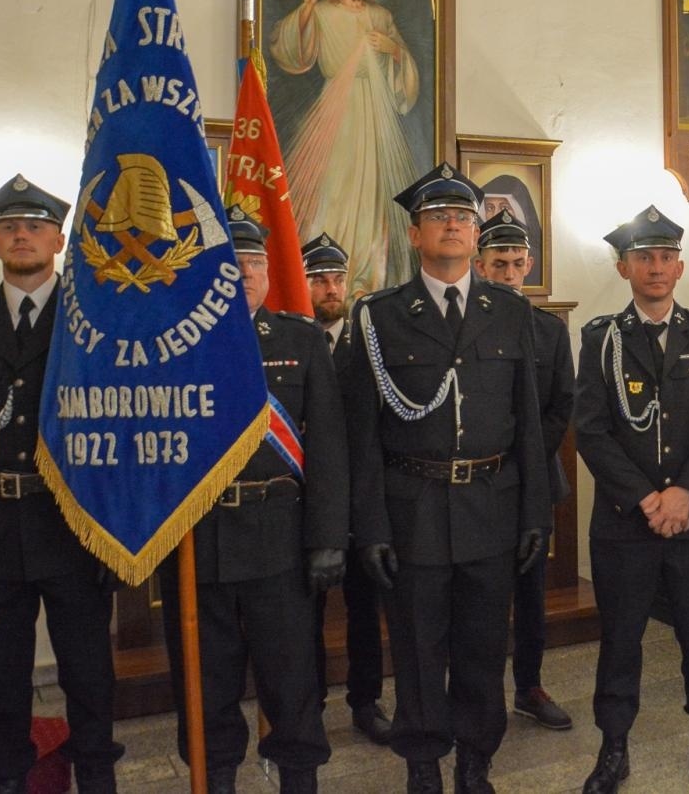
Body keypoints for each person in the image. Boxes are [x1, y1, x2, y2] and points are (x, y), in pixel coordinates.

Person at [341, 162, 550, 794]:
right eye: (438, 217)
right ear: (415, 235)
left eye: (463, 217)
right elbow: (361, 437)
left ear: (476, 233)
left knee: (484, 652)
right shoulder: (378, 317)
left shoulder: (510, 313)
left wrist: (535, 514)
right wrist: (370, 527)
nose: (453, 225)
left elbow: (529, 424)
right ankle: (423, 766)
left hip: (492, 509)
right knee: (417, 652)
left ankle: (475, 765)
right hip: (413, 513)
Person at [0, 175, 122, 794]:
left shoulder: (94, 319)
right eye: (8, 227)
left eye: (35, 226)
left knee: (88, 670)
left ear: (59, 241)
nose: (21, 235)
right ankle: (6, 776)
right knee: (1, 675)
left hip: (74, 526)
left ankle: (96, 775)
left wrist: (119, 536)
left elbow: (118, 431)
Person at [157, 207, 347, 794]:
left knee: (291, 677)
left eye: (255, 262)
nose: (243, 272)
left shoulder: (300, 339)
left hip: (279, 537)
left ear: (269, 273)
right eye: (230, 261)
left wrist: (327, 538)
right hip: (197, 535)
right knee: (205, 680)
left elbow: (329, 446)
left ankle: (298, 779)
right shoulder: (172, 344)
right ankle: (216, 778)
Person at [573, 206, 689, 794]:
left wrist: (683, 493)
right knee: (620, 641)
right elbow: (591, 430)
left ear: (680, 267)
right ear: (624, 268)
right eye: (644, 258)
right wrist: (647, 499)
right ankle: (614, 747)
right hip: (625, 521)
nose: (657, 267)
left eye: (666, 257)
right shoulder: (602, 338)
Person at [471, 210, 576, 732]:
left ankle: (529, 686)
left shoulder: (549, 331)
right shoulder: (465, 325)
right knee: (479, 594)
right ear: (480, 266)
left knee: (532, 593)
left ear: (529, 264)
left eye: (517, 263)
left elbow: (561, 406)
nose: (509, 273)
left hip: (532, 481)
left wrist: (525, 462)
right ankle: (478, 690)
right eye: (499, 263)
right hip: (479, 484)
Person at [269, 0, 421, 295]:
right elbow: (291, 49)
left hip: (375, 110)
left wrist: (394, 50)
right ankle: (327, 272)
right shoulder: (323, 11)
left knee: (372, 194)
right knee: (336, 186)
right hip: (337, 107)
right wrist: (307, 7)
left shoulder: (380, 16)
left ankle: (366, 280)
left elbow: (406, 70)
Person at [301, 231, 392, 744]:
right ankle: (308, 703)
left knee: (364, 610)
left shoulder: (367, 347)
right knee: (303, 613)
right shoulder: (290, 343)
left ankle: (366, 701)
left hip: (360, 499)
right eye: (318, 279)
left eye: (336, 278)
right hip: (304, 501)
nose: (331, 288)